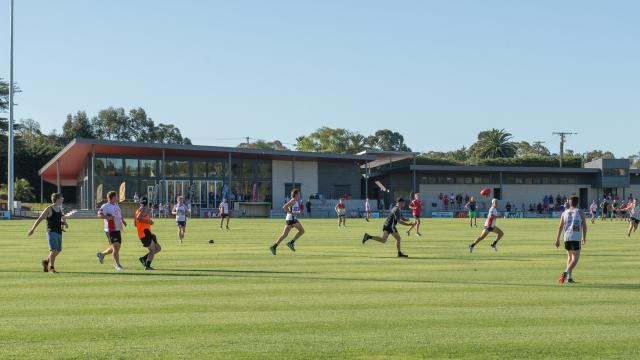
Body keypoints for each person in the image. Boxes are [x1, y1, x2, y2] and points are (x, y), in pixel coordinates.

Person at [27, 193, 68, 274]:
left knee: (58, 251)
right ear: (57, 199)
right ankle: (51, 268)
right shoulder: (49, 209)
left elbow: (60, 219)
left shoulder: (59, 209)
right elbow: (40, 218)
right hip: (51, 232)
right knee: (54, 250)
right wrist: (33, 229)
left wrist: (64, 223)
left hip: (59, 232)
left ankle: (46, 262)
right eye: (61, 198)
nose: (62, 199)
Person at [556, 196, 587, 284]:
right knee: (575, 259)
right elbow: (584, 226)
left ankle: (569, 278)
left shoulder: (564, 212)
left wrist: (557, 239)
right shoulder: (580, 212)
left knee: (569, 257)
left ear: (569, 203)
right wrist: (584, 238)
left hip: (566, 237)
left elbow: (560, 226)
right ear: (577, 203)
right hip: (575, 237)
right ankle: (565, 272)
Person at [96, 191, 127, 271]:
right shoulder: (106, 206)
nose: (118, 197)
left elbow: (119, 215)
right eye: (117, 196)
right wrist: (107, 217)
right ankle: (117, 265)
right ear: (113, 197)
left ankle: (102, 254)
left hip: (117, 229)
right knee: (116, 247)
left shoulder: (117, 206)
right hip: (110, 229)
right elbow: (99, 214)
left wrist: (123, 221)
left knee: (116, 248)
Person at [270, 189, 305, 255]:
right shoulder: (293, 200)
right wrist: (291, 213)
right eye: (299, 193)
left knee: (284, 235)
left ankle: (274, 247)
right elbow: (284, 207)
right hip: (291, 219)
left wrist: (299, 212)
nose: (300, 195)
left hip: (291, 219)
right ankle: (291, 243)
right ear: (296, 194)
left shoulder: (296, 201)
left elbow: (294, 210)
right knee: (302, 231)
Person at [135, 196, 162, 270]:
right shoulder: (145, 209)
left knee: (158, 248)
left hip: (146, 233)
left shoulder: (137, 210)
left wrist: (147, 222)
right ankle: (147, 265)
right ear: (147, 202)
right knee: (152, 250)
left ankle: (143, 258)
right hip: (145, 233)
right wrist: (149, 221)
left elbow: (135, 223)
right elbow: (139, 218)